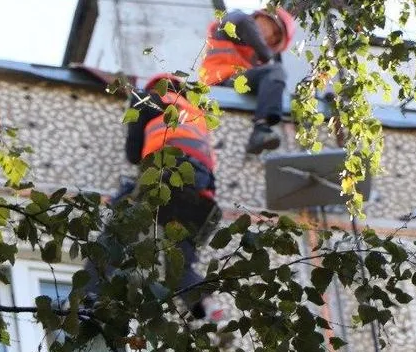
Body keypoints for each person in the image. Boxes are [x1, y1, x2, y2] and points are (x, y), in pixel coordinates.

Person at [82, 73, 224, 323]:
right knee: (179, 267)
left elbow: (133, 153)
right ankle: (209, 307)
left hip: (166, 175)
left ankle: (90, 296)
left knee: (114, 236)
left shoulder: (147, 98)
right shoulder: (197, 116)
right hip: (200, 197)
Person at [200, 7, 296, 155]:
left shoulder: (255, 59)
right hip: (219, 82)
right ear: (261, 16)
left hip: (237, 83)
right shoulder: (234, 22)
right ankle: (261, 128)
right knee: (275, 71)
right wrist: (269, 59)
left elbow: (270, 85)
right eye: (274, 30)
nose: (270, 37)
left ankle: (261, 128)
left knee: (273, 76)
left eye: (275, 39)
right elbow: (243, 22)